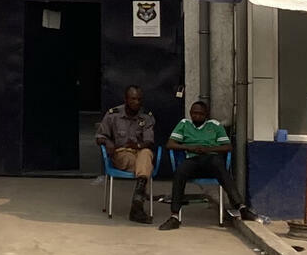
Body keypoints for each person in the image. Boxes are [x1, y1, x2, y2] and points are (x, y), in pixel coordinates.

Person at [158, 95, 243, 230]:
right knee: (180, 171)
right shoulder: (184, 124)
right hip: (192, 159)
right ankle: (174, 216)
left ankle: (240, 206)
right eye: (194, 113)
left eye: (200, 114)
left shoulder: (214, 125)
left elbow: (228, 147)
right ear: (190, 113)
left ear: (206, 114)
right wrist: (189, 147)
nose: (197, 116)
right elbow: (170, 144)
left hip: (211, 160)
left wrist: (208, 149)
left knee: (220, 166)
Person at [96, 84, 158, 224]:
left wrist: (137, 146)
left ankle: (137, 204)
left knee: (146, 153)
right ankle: (137, 204)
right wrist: (107, 142)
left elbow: (149, 141)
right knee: (145, 166)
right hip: (121, 154)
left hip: (140, 152)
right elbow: (99, 137)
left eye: (139, 99)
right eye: (133, 99)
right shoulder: (113, 115)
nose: (137, 102)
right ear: (126, 99)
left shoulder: (146, 117)